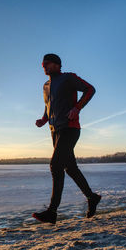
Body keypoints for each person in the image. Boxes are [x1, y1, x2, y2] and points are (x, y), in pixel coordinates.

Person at [32, 53, 101, 224]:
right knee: (70, 168)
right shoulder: (45, 86)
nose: (44, 67)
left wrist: (77, 108)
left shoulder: (69, 78)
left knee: (56, 165)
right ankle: (92, 198)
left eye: (47, 64)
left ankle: (52, 212)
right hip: (55, 131)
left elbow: (90, 89)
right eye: (43, 65)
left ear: (57, 64)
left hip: (70, 128)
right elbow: (49, 105)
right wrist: (44, 119)